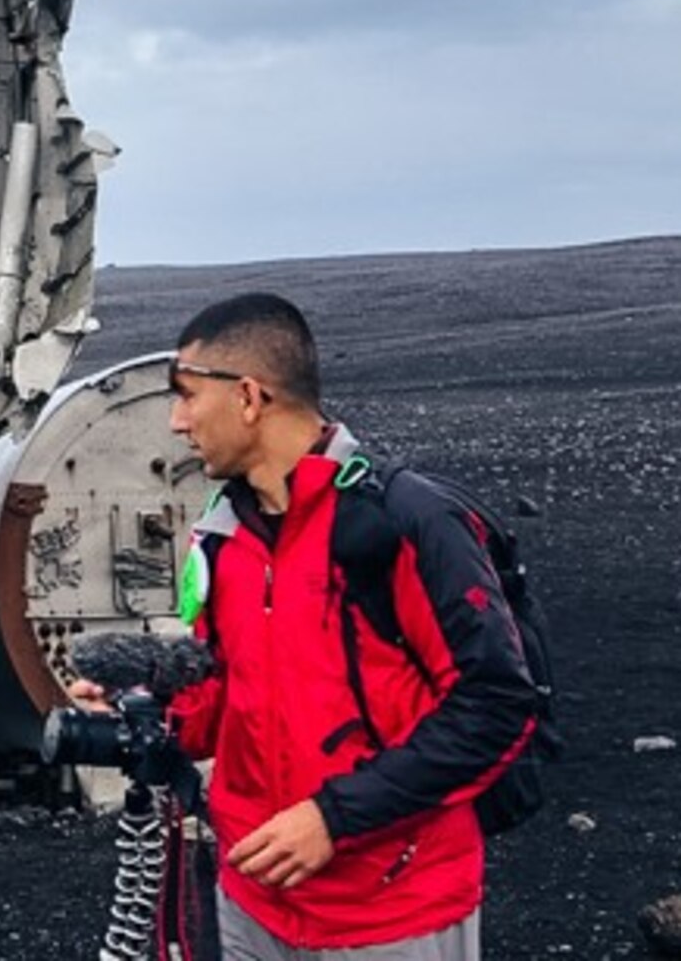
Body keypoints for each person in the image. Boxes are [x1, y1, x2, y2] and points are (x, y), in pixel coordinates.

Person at [154, 293, 537, 960]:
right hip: (253, 900)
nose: (176, 420)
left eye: (186, 395)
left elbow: (496, 705)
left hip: (391, 911)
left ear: (248, 396)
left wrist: (334, 818)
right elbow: (219, 699)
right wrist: (145, 711)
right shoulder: (222, 538)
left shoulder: (405, 523)